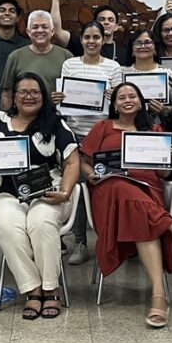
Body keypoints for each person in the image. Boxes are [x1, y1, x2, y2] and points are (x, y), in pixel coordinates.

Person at [80, 83, 172, 328]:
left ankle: (158, 294)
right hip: (109, 192)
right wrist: (90, 175)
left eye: (132, 96)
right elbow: (84, 161)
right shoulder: (102, 127)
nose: (127, 100)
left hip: (148, 191)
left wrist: (169, 159)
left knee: (142, 217)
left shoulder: (154, 130)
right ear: (114, 104)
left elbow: (163, 175)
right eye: (121, 97)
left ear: (141, 102)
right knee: (120, 186)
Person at [0, 73, 79, 320]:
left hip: (48, 192)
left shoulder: (55, 123)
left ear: (43, 96)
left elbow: (73, 161)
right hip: (6, 194)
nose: (28, 97)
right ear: (14, 96)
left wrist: (65, 193)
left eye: (35, 92)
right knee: (8, 226)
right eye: (23, 92)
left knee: (40, 222)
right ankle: (33, 288)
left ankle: (51, 288)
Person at [55, 20, 123, 265]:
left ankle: (112, 241)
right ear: (81, 40)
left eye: (96, 37)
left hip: (103, 137)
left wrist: (112, 96)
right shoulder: (70, 64)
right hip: (73, 134)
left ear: (104, 40)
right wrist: (60, 97)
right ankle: (80, 242)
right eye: (87, 37)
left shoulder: (113, 67)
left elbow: (121, 105)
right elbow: (64, 100)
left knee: (106, 187)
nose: (92, 42)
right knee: (79, 191)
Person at [0, 10, 71, 108]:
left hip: (56, 114)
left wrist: (65, 96)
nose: (40, 30)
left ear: (52, 31)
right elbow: (6, 93)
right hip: (23, 114)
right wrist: (6, 115)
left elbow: (75, 92)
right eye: (35, 27)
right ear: (28, 32)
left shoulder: (66, 56)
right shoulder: (15, 57)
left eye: (44, 27)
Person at [51, 0, 132, 65]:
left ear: (116, 26)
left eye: (110, 20)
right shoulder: (83, 44)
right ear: (95, 23)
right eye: (102, 19)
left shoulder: (124, 54)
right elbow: (57, 32)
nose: (106, 22)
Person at [122, 29, 172, 129]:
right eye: (138, 43)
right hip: (127, 127)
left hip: (160, 128)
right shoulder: (121, 72)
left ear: (155, 48)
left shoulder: (169, 74)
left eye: (148, 42)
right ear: (132, 49)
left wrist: (165, 110)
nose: (143, 46)